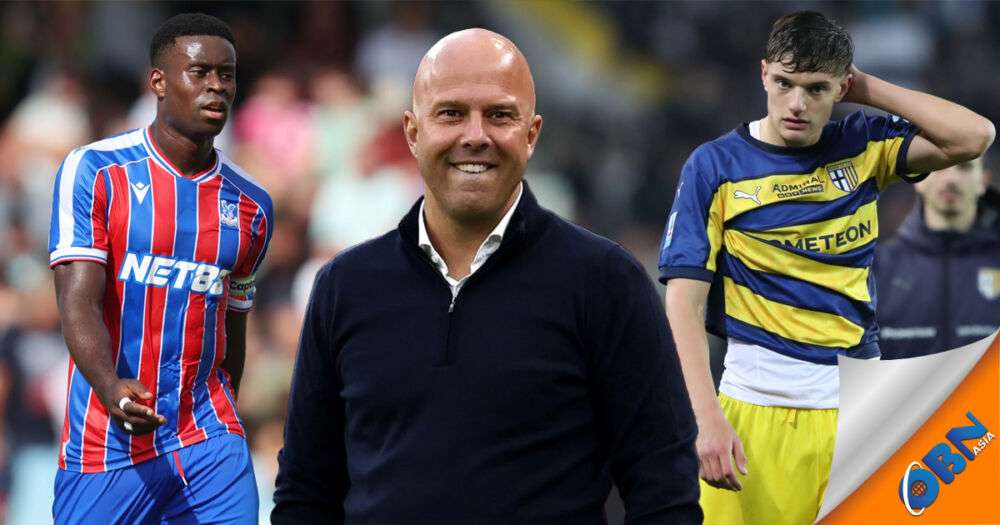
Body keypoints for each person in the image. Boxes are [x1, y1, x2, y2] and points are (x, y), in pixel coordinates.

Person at [272, 28, 701, 524]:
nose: (475, 135)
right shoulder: (344, 287)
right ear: (413, 132)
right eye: (451, 113)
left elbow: (664, 489)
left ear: (531, 134)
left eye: (499, 115)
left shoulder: (606, 282)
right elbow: (305, 492)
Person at [659, 11, 994, 525]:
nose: (797, 104)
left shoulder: (862, 144)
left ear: (841, 87)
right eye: (784, 83)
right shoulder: (716, 166)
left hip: (863, 409)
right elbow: (683, 302)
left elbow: (973, 137)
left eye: (817, 88)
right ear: (763, 74)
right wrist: (705, 419)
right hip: (755, 406)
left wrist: (868, 88)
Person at [48, 13, 272, 524]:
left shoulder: (252, 206)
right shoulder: (96, 171)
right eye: (200, 72)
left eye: (227, 74)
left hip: (209, 439)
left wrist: (228, 415)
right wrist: (111, 386)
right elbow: (77, 303)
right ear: (159, 82)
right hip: (105, 445)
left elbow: (233, 326)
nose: (217, 86)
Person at [876, 158, 1000, 358]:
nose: (951, 179)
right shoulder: (876, 269)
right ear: (918, 179)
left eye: (965, 167)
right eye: (939, 167)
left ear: (983, 181)